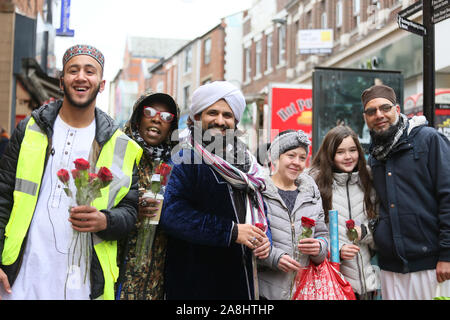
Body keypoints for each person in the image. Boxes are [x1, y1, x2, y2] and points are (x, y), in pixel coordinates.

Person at [0, 44, 142, 300]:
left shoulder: (121, 145)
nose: (81, 77)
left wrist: (106, 221)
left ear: (101, 83)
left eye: (90, 71)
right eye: (73, 70)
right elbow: (3, 197)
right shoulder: (30, 128)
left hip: (84, 283)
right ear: (61, 80)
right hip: (21, 277)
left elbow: (131, 212)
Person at [160, 81, 271, 300]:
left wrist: (266, 239)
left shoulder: (248, 164)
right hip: (196, 286)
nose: (220, 121)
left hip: (242, 283)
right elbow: (171, 214)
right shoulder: (183, 157)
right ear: (196, 118)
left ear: (235, 121)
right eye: (213, 112)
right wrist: (231, 231)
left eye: (227, 115)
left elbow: (260, 211)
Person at [361, 84, 450, 300]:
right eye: (371, 111)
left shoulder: (429, 140)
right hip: (391, 266)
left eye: (385, 108)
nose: (379, 115)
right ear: (365, 118)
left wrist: (447, 254)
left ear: (398, 110)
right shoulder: (374, 155)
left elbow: (448, 196)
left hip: (431, 265)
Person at [117, 90, 179, 300]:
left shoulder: (176, 165)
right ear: (137, 117)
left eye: (166, 117)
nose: (156, 118)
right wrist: (132, 209)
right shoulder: (117, 153)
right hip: (116, 273)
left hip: (156, 281)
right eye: (150, 111)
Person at [308, 125, 379, 299]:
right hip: (331, 282)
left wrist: (364, 233)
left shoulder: (368, 180)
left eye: (353, 150)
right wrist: (336, 249)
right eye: (340, 152)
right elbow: (308, 231)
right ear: (330, 154)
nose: (348, 157)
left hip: (367, 282)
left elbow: (380, 222)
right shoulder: (314, 182)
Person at [258, 129, 329, 300]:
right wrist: (275, 258)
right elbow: (252, 242)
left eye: (302, 157)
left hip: (304, 291)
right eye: (291, 155)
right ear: (277, 157)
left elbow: (323, 234)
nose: (296, 162)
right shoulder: (259, 191)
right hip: (266, 292)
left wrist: (319, 247)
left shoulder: (310, 193)